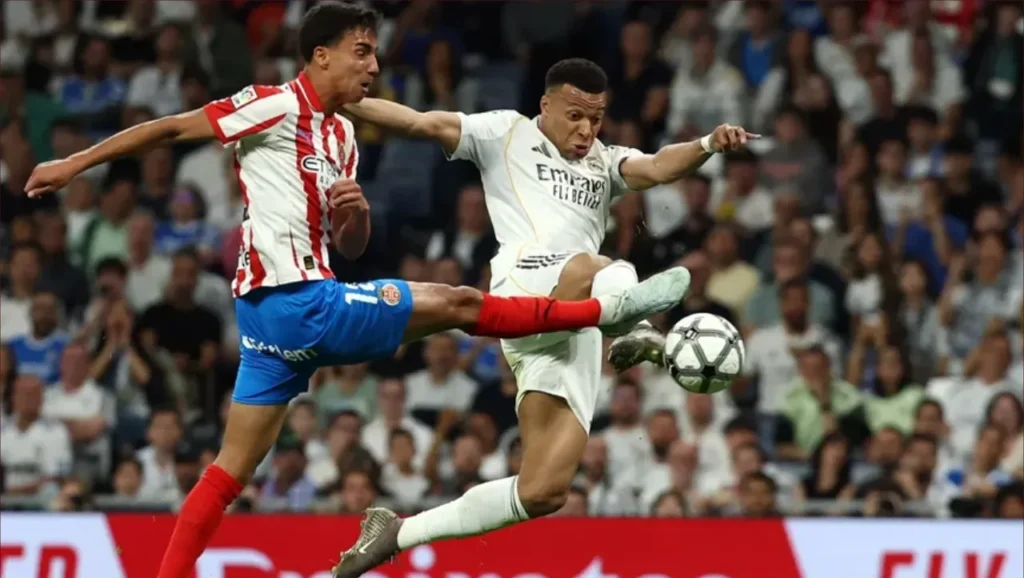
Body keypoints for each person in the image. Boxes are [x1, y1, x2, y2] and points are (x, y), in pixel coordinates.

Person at [23, 5, 690, 578]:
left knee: (227, 473)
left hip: (279, 321)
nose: (374, 65)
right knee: (460, 302)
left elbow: (349, 247)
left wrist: (355, 216)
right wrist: (75, 163)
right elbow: (170, 128)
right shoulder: (273, 105)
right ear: (322, 55)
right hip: (294, 304)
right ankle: (604, 312)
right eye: (362, 52)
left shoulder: (342, 135)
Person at [338, 57, 755, 575]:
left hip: (573, 329)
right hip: (524, 285)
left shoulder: (605, 161)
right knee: (602, 267)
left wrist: (708, 144)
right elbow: (420, 121)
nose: (586, 130)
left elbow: (657, 166)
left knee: (544, 490)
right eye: (575, 116)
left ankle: (397, 533)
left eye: (596, 119)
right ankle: (638, 328)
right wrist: (339, 99)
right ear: (546, 105)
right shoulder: (503, 132)